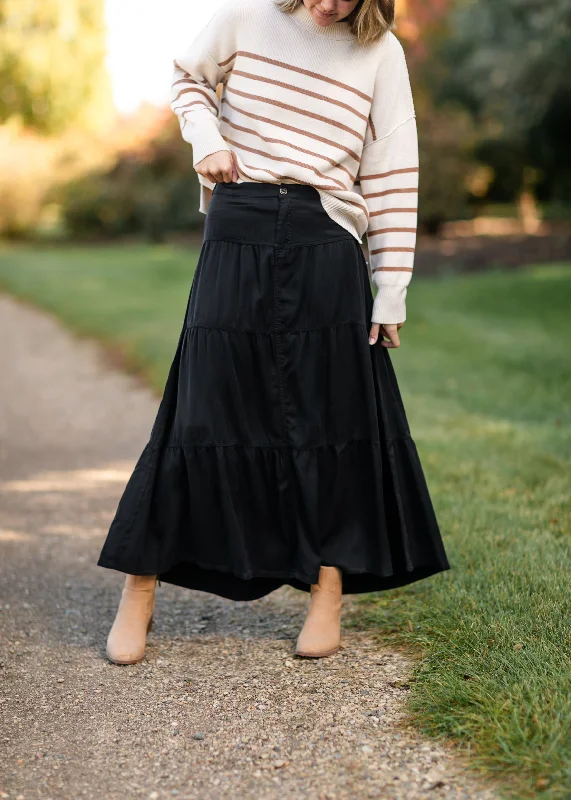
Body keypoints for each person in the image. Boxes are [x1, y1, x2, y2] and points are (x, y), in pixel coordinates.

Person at [97, 0, 451, 665]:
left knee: (329, 415)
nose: (327, 4)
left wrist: (390, 288)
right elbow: (188, 80)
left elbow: (392, 171)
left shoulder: (380, 54)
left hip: (327, 235)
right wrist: (207, 140)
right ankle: (139, 585)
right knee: (202, 411)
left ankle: (327, 584)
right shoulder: (244, 18)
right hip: (240, 222)